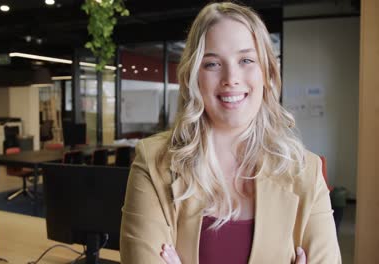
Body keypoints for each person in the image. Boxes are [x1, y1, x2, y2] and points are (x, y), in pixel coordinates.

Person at [120, 2, 341, 264]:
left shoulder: (306, 172)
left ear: (267, 72)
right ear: (194, 76)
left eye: (246, 60)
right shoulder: (153, 163)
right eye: (212, 64)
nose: (231, 78)